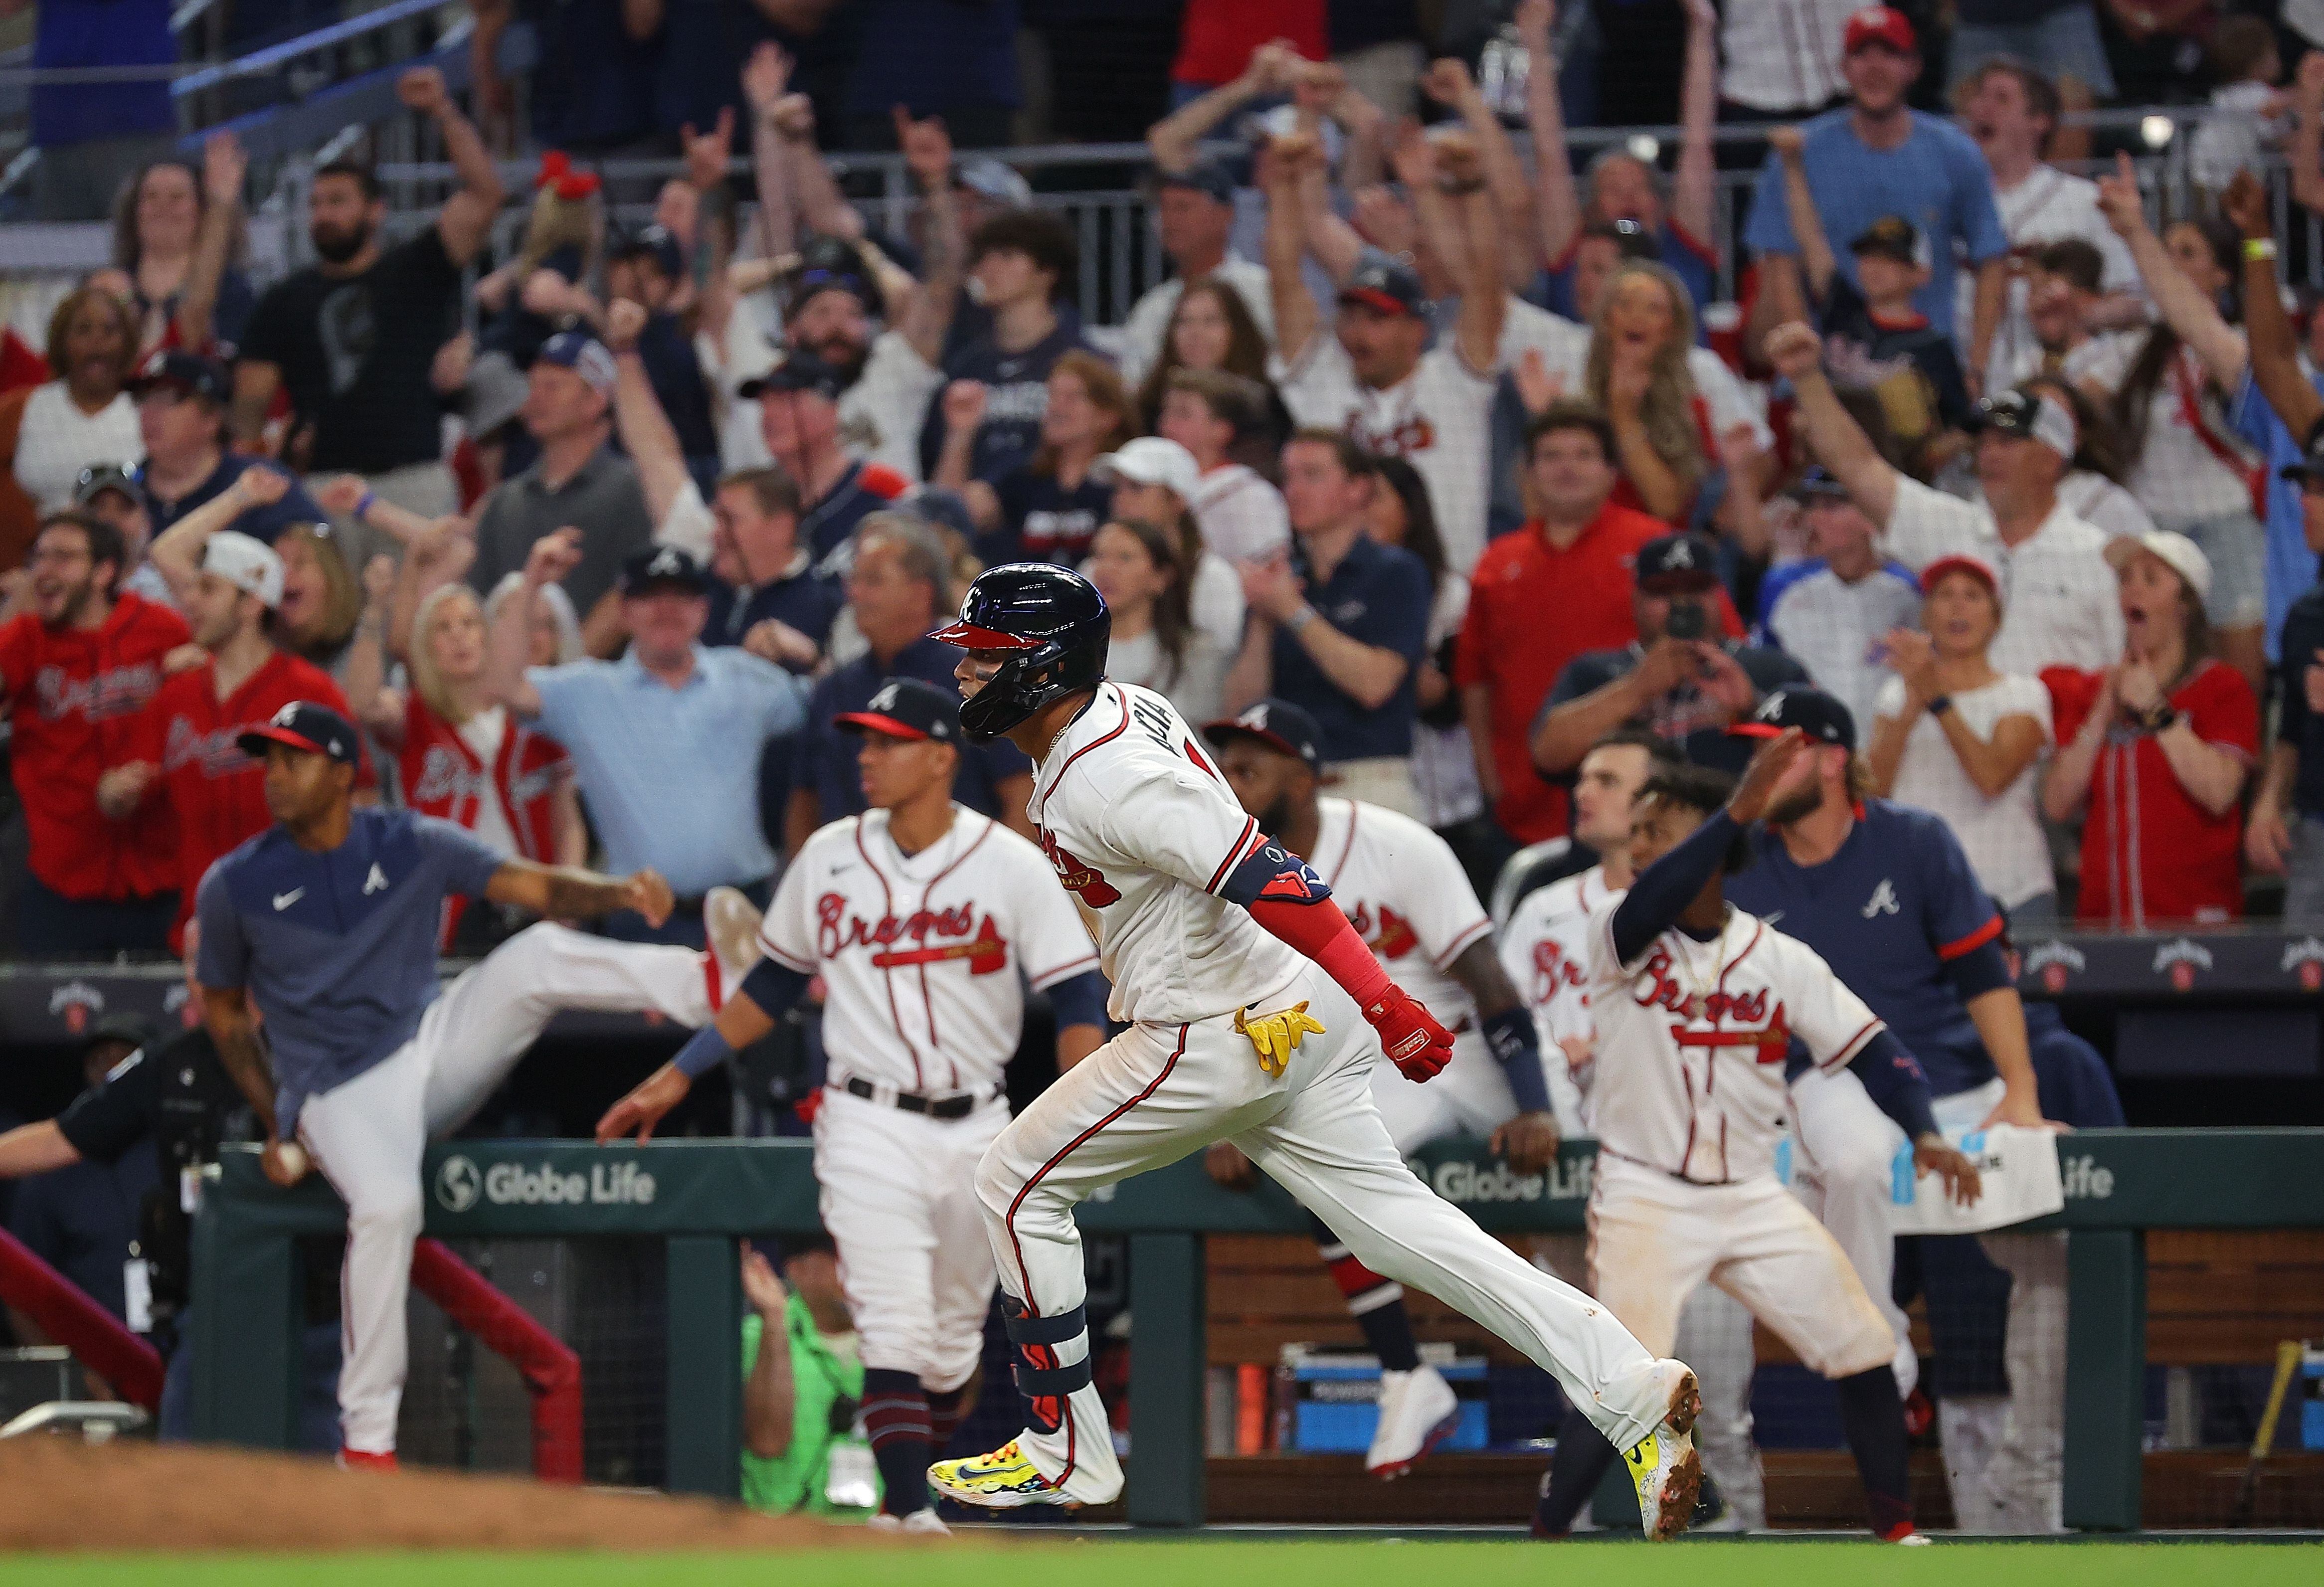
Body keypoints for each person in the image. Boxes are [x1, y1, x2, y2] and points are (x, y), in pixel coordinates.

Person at [917, 562, 1705, 1539]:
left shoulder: (1106, 775)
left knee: (1014, 1183)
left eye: (983, 654)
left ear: (1038, 665)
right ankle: (1633, 1389)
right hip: (1286, 1015)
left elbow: (1271, 873)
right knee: (1399, 1231)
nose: (964, 674)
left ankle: (1063, 1449)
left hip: (1212, 1029)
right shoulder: (1112, 715)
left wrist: (1387, 1001)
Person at [599, 677, 1108, 1533]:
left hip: (979, 1121)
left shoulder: (1011, 862)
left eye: (887, 741)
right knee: (895, 1325)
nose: (865, 756)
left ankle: (904, 1498)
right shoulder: (831, 853)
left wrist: (1075, 1117)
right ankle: (908, 1512)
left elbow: (1077, 997)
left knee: (950, 1349)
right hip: (864, 1116)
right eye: (862, 740)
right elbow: (772, 980)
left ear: (941, 756)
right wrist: (682, 1069)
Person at [192, 700, 752, 1467]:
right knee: (388, 1206)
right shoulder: (236, 882)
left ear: (342, 769)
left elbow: (535, 887)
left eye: (293, 757)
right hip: (337, 1087)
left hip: (428, 1046)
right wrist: (278, 1115)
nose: (275, 774)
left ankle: (711, 985)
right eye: (269, 759)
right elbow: (224, 1014)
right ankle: (366, 1445)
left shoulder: (408, 839)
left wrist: (619, 893)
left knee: (538, 955)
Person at [1530, 741, 1979, 1544]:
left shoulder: (1779, 958)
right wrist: (1736, 809)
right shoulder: (1617, 936)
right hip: (1644, 1191)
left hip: (1749, 1192)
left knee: (1863, 1343)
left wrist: (1927, 1131)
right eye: (1634, 831)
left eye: (1654, 830)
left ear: (1710, 845)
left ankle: (1900, 1533)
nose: (1637, 847)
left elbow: (1879, 1051)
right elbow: (1654, 897)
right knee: (1620, 1381)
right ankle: (1546, 1541)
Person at [1725, 686, 2063, 1530]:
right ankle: (1885, 1372)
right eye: (1754, 748)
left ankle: (2038, 1482)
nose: (1758, 766)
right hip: (1829, 1077)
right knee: (1857, 1162)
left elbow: (1984, 973)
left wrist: (2018, 1094)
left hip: (1954, 1076)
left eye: (1780, 747)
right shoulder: (1739, 863)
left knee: (2054, 1243)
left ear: (1834, 759)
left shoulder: (1916, 840)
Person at [1199, 698, 1558, 1480]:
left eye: (1254, 758)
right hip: (1361, 1065)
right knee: (1321, 1162)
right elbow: (1223, 1007)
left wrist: (1535, 1103)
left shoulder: (1397, 845)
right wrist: (1226, 1118)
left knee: (1582, 1214)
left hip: (1461, 1044)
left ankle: (1595, 1373)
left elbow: (1491, 981)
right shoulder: (1219, 865)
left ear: (1307, 773)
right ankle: (1406, 1371)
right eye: (1224, 759)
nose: (1234, 774)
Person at [232, 69, 506, 552]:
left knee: (420, 617)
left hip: (413, 482)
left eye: (338, 202)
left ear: (375, 210)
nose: (323, 215)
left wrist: (444, 112)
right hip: (322, 485)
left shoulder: (418, 266)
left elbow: (485, 196)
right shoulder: (284, 299)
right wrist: (266, 466)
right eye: (316, 204)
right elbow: (250, 408)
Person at [487, 538, 809, 946]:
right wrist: (531, 581)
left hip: (743, 910)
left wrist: (812, 657)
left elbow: (827, 713)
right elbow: (501, 684)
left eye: (681, 596)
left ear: (704, 609)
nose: (666, 610)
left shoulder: (748, 679)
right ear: (623, 612)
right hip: (638, 919)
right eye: (650, 597)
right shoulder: (587, 691)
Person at [1766, 321, 2125, 678]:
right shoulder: (1952, 527)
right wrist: (1807, 379)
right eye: (1983, 442)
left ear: (2051, 459)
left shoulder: (2095, 557)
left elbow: (2121, 669)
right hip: (1952, 730)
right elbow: (1857, 467)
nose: (1988, 455)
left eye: (2007, 443)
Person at [106, 530, 364, 950]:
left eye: (208, 589)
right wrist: (115, 791)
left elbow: (362, 796)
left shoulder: (313, 694)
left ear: (252, 602)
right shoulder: (175, 697)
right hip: (199, 931)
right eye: (191, 589)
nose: (190, 601)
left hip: (299, 931)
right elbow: (119, 792)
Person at [1266, 129, 1506, 572]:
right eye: (1351, 317)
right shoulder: (1323, 382)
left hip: (1450, 597)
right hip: (1340, 595)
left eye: (1377, 320)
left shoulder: (1453, 382)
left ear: (1416, 330)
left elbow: (1485, 282)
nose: (1358, 332)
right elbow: (1284, 278)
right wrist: (1282, 185)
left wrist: (1472, 189)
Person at [343, 532, 586, 952]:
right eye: (444, 628)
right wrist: (375, 610)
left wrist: (568, 900)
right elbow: (362, 702)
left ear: (488, 635)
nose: (459, 636)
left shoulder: (534, 714)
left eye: (470, 623)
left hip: (535, 906)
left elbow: (567, 822)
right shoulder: (414, 717)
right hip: (449, 916)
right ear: (427, 647)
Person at [1742, 7, 2008, 379]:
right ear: (1844, 69)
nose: (1874, 67)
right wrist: (1807, 377)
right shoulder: (1798, 153)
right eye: (1861, 54)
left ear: (1913, 67)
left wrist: (1975, 370)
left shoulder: (1955, 153)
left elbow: (1991, 258)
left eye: (1889, 54)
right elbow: (1781, 264)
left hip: (1927, 367)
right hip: (1832, 367)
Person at [2088, 156, 2270, 691]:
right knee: (2157, 682)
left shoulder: (2238, 351)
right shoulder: (2128, 353)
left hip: (2226, 527)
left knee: (2237, 686)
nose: (2168, 265)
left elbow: (2190, 319)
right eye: (2165, 254)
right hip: (2150, 531)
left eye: (2186, 255)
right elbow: (2068, 408)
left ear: (2222, 275)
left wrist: (2134, 233)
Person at [1457, 406, 1673, 847]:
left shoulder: (1653, 546)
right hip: (1520, 797)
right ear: (1528, 473)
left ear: (1613, 471)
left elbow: (1713, 642)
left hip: (1634, 794)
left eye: (1584, 455)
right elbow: (1473, 677)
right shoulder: (1497, 562)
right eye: (1552, 456)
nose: (1568, 467)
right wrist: (1488, 774)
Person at [2042, 531, 2258, 927]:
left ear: (2184, 606)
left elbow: (2219, 791)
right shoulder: (2095, 691)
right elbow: (2057, 803)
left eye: (2150, 579)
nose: (2131, 590)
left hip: (2196, 926)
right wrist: (2101, 711)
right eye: (2125, 579)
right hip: (2103, 926)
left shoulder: (2221, 687)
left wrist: (2157, 711)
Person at [785, 515, 1035, 852]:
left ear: (921, 594)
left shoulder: (975, 679)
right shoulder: (832, 688)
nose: (854, 593)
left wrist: (989, 881)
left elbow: (1021, 795)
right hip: (854, 887)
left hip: (956, 884)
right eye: (854, 580)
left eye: (873, 581)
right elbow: (804, 798)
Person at [0, 511, 190, 952]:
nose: (44, 570)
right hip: (63, 878)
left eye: (63, 557)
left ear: (105, 571)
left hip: (159, 872)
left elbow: (192, 724)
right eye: (39, 557)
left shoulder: (160, 628)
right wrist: (16, 607)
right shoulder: (27, 637)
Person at [1227, 429, 1431, 819]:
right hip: (1286, 784)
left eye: (1312, 475)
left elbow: (1374, 684)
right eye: (1288, 477)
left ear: (1357, 489)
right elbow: (1242, 709)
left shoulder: (1395, 571)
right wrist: (1263, 622)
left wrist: (1294, 612)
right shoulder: (1281, 580)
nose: (1294, 490)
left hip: (1370, 779)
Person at [1867, 556, 2058, 923]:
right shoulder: (1894, 695)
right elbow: (1871, 793)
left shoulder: (2023, 693)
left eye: (1972, 596)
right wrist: (1910, 705)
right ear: (1925, 617)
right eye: (1944, 595)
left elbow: (1990, 777)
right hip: (1919, 890)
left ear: (1995, 619)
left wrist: (1936, 699)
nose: (1958, 606)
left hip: (2011, 891)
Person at [1762, 150, 1973, 480]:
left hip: (1891, 483)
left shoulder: (1933, 347)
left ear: (1920, 274)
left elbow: (1961, 429)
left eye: (1890, 260)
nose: (1875, 268)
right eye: (1868, 258)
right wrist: (1792, 167)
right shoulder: (1843, 309)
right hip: (1828, 476)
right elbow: (1811, 238)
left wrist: (1922, 456)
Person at [1531, 531, 1805, 781]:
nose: (1681, 605)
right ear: (1637, 600)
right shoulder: (1594, 672)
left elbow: (1818, 760)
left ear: (1717, 596)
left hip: (1734, 830)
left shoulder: (1770, 669)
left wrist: (1752, 708)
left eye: (1694, 590)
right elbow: (1547, 756)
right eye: (1663, 593)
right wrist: (1635, 691)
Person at [1524, 0, 1720, 321]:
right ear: (1590, 212)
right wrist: (1535, 42)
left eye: (1640, 187)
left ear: (1660, 203)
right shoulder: (1573, 257)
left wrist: (1702, 27)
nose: (1629, 197)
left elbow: (1698, 143)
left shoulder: (1683, 251)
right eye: (1613, 189)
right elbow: (1549, 156)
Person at [1954, 59, 2138, 394]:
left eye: (2001, 99)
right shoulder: (1949, 206)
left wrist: (2079, 313)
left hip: (2056, 385)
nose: (1982, 108)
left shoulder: (2084, 201)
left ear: (2039, 121)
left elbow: (2133, 302)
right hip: (1960, 382)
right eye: (1979, 97)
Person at [467, 332, 654, 642]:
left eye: (553, 387)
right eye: (533, 385)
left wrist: (568, 667)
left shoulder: (629, 487)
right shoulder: (503, 501)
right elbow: (479, 600)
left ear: (595, 399)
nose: (536, 397)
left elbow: (633, 591)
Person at [917, 210, 1100, 487]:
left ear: (1046, 273)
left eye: (1007, 256)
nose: (988, 268)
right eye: (982, 258)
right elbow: (932, 455)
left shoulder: (1082, 363)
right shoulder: (965, 366)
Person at [1756, 469, 1923, 736]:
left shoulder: (1911, 588)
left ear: (1870, 515)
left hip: (1892, 745)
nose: (1814, 518)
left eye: (1832, 507)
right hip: (1809, 745)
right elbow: (1768, 673)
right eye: (1812, 507)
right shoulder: (1782, 588)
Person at [938, 351, 1129, 567]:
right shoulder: (1025, 478)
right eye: (1053, 396)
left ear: (1107, 416)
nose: (1057, 407)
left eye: (1073, 397)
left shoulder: (1124, 483)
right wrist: (961, 434)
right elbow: (948, 517)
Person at [739, 353, 911, 579]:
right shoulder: (754, 499)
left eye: (785, 401)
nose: (770, 415)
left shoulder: (885, 490)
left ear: (831, 409)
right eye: (765, 403)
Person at [737, 1238, 876, 1517]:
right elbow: (767, 1441)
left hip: (876, 1545)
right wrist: (775, 1318)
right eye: (843, 1257)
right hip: (777, 1540)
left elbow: (957, 1407)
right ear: (797, 1270)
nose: (858, 1270)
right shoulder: (758, 1334)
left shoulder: (892, 1341)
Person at [129, 352, 324, 541]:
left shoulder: (260, 483)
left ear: (212, 419)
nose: (149, 412)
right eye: (144, 399)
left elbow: (320, 557)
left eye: (168, 400)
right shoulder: (123, 491)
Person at [1119, 161, 1275, 388]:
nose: (1169, 220)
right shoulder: (1152, 307)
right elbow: (1134, 386)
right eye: (1163, 208)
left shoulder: (1260, 289)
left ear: (1225, 215)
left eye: (1183, 208)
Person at [1583, 262, 1715, 524]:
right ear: (1608, 322)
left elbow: (1667, 506)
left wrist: (1624, 417)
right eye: (1625, 305)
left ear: (1672, 330)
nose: (1638, 317)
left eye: (1654, 309)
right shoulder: (1578, 404)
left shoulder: (1691, 411)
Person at [2254, 431, 2324, 921]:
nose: (2305, 502)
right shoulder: (2303, 616)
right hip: (2314, 835)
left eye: (2320, 491)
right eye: (2306, 489)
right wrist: (2266, 803)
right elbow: (2290, 732)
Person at [4, 286, 143, 524]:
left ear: (127, 341)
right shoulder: (23, 408)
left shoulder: (145, 409)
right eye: (83, 330)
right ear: (62, 341)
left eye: (109, 331)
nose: (97, 342)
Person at [1086, 518, 1229, 727]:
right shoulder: (1074, 652)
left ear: (1160, 578)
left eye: (1124, 558)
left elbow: (1204, 731)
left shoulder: (1197, 650)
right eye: (1099, 556)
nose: (1106, 569)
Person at [1132, 278, 1290, 458]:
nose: (1196, 333)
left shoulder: (1265, 408)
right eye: (1184, 321)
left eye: (1211, 321)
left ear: (1236, 330)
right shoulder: (1148, 406)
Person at [1156, 368, 1292, 566]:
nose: (1167, 424)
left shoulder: (1250, 495)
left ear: (1221, 431)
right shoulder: (1149, 486)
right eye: (1166, 412)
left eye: (1183, 414)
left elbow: (1267, 572)